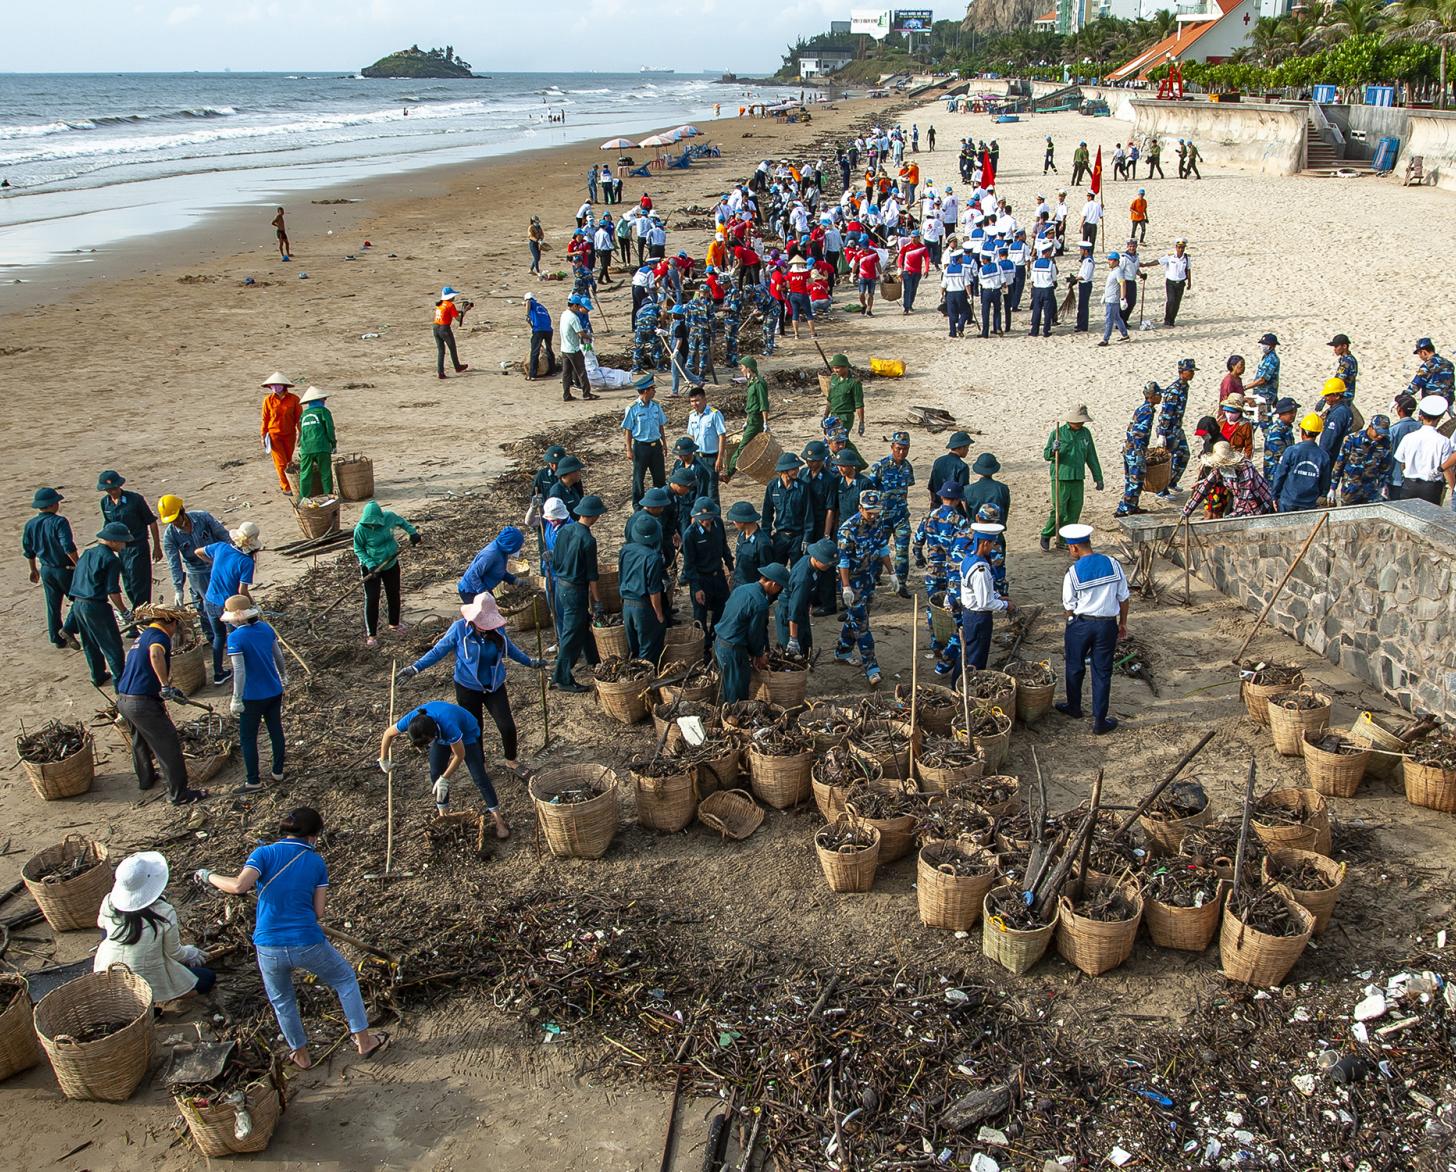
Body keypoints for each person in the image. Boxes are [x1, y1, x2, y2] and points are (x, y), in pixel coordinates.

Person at [196, 807, 389, 1067]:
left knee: (282, 1000)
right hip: (306, 940)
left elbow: (239, 886)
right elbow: (318, 912)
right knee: (344, 979)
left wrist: (208, 875)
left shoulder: (263, 853)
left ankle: (301, 1055)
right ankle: (364, 1041)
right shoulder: (316, 862)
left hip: (268, 945)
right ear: (314, 835)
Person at [398, 591, 543, 780]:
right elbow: (438, 651)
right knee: (475, 728)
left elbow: (510, 650)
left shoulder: (498, 630)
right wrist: (415, 668)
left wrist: (530, 662)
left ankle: (511, 759)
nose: (485, 626)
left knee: (507, 725)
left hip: (494, 687)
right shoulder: (459, 629)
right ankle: (480, 762)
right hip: (467, 688)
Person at [115, 602, 206, 804]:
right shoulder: (159, 637)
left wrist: (167, 688)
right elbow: (156, 654)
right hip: (142, 704)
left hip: (123, 699)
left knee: (139, 741)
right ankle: (179, 794)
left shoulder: (143, 636)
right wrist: (165, 686)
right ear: (170, 622)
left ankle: (146, 779)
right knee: (167, 744)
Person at [96, 852, 213, 1003]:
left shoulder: (109, 901)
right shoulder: (164, 911)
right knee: (207, 978)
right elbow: (174, 953)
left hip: (108, 971)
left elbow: (102, 927)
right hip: (144, 980)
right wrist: (190, 953)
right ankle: (156, 999)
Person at [380, 699, 509, 835]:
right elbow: (388, 734)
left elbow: (459, 755)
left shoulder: (448, 726)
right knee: (436, 773)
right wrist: (383, 759)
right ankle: (444, 816)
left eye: (428, 742)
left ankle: (499, 820)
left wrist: (445, 778)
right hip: (438, 732)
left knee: (479, 777)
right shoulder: (413, 720)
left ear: (433, 734)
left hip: (466, 732)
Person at [1054, 524, 1129, 736]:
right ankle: (1099, 720)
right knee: (1102, 671)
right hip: (1107, 624)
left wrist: (1071, 620)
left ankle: (1074, 706)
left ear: (1074, 548)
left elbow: (1068, 604)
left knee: (1074, 665)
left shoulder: (1073, 572)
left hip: (1081, 625)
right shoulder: (1113, 564)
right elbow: (1123, 598)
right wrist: (1122, 623)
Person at [220, 593, 287, 792]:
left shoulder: (235, 638)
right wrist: (283, 675)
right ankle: (278, 771)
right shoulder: (265, 628)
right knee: (276, 730)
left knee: (248, 738)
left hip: (251, 696)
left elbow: (239, 670)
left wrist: (236, 698)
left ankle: (253, 780)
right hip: (274, 690)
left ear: (237, 618)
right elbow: (278, 655)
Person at [835, 489, 896, 687]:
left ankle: (843, 650)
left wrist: (892, 573)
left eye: (876, 512)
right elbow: (843, 562)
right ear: (860, 508)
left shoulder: (877, 522)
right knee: (862, 626)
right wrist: (846, 587)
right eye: (869, 512)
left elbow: (882, 547)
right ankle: (871, 667)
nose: (873, 516)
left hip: (868, 579)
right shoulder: (848, 529)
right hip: (852, 583)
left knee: (857, 619)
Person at [549, 495, 605, 692]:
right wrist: (597, 602)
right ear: (595, 516)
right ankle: (561, 677)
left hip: (560, 586)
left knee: (581, 625)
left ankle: (594, 659)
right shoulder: (588, 540)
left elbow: (555, 560)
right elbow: (592, 576)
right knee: (571, 635)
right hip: (575, 590)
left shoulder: (565, 530)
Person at [64, 522, 131, 686]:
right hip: (96, 607)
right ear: (113, 541)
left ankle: (98, 675)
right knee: (112, 646)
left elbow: (78, 579)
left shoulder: (87, 553)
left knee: (90, 643)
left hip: (78, 604)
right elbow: (112, 591)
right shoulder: (112, 560)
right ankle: (121, 684)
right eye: (123, 542)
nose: (124, 546)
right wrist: (124, 611)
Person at [714, 562, 789, 702]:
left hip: (720, 642)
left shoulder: (741, 589)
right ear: (774, 584)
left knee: (728, 686)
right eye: (780, 588)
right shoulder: (760, 603)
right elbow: (755, 634)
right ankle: (732, 713)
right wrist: (759, 655)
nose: (778, 592)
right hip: (733, 649)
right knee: (738, 693)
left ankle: (727, 709)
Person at [160, 495, 228, 646]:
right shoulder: (170, 535)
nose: (175, 523)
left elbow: (223, 536)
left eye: (176, 519)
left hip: (217, 563)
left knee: (226, 598)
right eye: (171, 521)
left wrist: (232, 557)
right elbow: (174, 563)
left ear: (182, 511)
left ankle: (231, 631)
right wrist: (178, 588)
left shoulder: (202, 518)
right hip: (196, 571)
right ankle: (214, 638)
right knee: (206, 606)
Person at [199, 522, 260, 685]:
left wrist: (213, 563)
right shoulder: (246, 562)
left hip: (210, 600)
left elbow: (198, 552)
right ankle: (245, 670)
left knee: (218, 636)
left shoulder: (220, 547)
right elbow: (242, 591)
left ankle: (218, 673)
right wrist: (253, 605)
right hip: (230, 606)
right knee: (237, 637)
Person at [353, 501, 420, 648]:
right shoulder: (360, 529)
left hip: (390, 563)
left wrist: (413, 533)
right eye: (370, 523)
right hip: (372, 567)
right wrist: (370, 564)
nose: (373, 525)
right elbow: (358, 549)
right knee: (372, 598)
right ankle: (372, 635)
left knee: (393, 593)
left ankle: (394, 624)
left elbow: (402, 522)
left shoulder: (389, 517)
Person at [915, 481, 970, 656]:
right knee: (954, 606)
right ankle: (954, 642)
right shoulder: (960, 521)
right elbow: (964, 546)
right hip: (952, 571)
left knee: (933, 606)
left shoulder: (930, 517)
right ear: (957, 500)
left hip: (933, 570)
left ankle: (936, 642)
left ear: (942, 496)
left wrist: (920, 558)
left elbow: (917, 541)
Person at [956, 522, 1013, 676]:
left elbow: (983, 591)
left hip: (969, 613)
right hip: (978, 618)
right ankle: (967, 684)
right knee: (976, 658)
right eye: (992, 544)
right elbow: (985, 602)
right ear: (986, 543)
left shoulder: (968, 559)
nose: (993, 547)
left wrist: (998, 596)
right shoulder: (980, 570)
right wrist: (1005, 605)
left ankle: (957, 682)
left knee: (967, 651)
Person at [22, 486, 77, 649]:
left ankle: (56, 637)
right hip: (64, 568)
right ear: (53, 504)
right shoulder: (59, 522)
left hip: (46, 569)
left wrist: (33, 569)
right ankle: (69, 628)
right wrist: (79, 564)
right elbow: (67, 546)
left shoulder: (30, 524)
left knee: (53, 605)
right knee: (81, 599)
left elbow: (28, 550)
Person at [1042, 405, 1103, 549]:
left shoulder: (1085, 433)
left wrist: (1098, 477)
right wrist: (1053, 450)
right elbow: (1046, 455)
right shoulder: (1058, 433)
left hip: (1078, 477)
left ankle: (1065, 540)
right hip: (1061, 477)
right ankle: (1046, 534)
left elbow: (1091, 456)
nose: (1081, 423)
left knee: (1075, 509)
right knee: (1059, 509)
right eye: (1078, 421)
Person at [97, 469, 159, 608]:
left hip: (138, 546)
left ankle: (141, 611)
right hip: (120, 549)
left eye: (114, 488)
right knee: (128, 582)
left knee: (139, 582)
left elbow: (151, 521)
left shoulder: (135, 500)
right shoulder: (105, 503)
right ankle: (137, 610)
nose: (112, 492)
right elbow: (107, 525)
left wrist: (157, 546)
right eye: (109, 490)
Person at [680, 497, 733, 657]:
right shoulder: (690, 534)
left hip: (718, 576)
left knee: (722, 609)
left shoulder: (718, 524)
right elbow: (689, 565)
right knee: (700, 616)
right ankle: (703, 650)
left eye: (708, 518)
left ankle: (716, 640)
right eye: (702, 519)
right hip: (701, 579)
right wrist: (696, 588)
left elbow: (724, 547)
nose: (706, 522)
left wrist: (731, 568)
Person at [1180, 442, 1277, 520]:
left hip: (1260, 503)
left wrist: (1234, 515)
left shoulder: (1245, 467)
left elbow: (1245, 493)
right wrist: (1187, 511)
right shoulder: (1219, 468)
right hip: (1241, 505)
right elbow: (1204, 488)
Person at [619, 512, 667, 664]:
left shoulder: (625, 550)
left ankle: (634, 676)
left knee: (633, 649)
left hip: (627, 605)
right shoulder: (653, 557)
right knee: (648, 651)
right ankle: (646, 677)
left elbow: (621, 576)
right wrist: (659, 614)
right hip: (643, 607)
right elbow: (654, 590)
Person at [871, 431, 915, 593]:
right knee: (878, 550)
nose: (901, 452)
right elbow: (870, 490)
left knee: (902, 551)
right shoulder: (880, 466)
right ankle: (875, 577)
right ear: (892, 447)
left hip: (901, 516)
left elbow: (906, 489)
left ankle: (901, 583)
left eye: (905, 449)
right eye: (898, 449)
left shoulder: (907, 467)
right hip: (882, 517)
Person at [1392, 396, 1456, 504]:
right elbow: (1446, 467)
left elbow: (1402, 462)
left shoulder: (1408, 438)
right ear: (1440, 417)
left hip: (1409, 485)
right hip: (1431, 488)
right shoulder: (1444, 441)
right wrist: (1453, 487)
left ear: (1421, 416)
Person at [778, 538, 834, 657]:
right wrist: (793, 638)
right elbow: (794, 609)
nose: (829, 566)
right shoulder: (802, 580)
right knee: (793, 654)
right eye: (827, 563)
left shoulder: (809, 561)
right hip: (789, 611)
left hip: (801, 607)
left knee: (806, 645)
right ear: (817, 558)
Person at [1114, 383, 1161, 518]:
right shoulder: (1147, 411)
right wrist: (1140, 453)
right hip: (1135, 450)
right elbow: (1138, 433)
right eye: (1158, 394)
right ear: (1152, 396)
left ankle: (1132, 506)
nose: (1161, 397)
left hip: (1129, 449)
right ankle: (1123, 508)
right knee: (1135, 481)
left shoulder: (1142, 408)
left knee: (1130, 480)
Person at [1271, 413, 1333, 512]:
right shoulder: (1323, 456)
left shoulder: (1291, 451)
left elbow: (1280, 475)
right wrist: (1322, 495)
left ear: (1302, 432)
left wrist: (1274, 495)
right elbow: (1325, 483)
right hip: (1309, 504)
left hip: (1288, 501)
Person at [622, 379, 668, 507]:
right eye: (653, 389)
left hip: (656, 446)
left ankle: (660, 503)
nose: (655, 391)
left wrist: (664, 443)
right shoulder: (632, 408)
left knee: (660, 477)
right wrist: (629, 449)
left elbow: (660, 426)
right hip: (641, 447)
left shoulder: (656, 406)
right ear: (646, 391)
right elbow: (628, 430)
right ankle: (638, 505)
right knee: (639, 478)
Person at [725, 358, 771, 482]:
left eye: (742, 367)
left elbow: (763, 404)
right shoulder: (751, 382)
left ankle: (728, 473)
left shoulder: (759, 383)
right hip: (751, 419)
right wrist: (746, 420)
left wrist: (765, 423)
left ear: (749, 368)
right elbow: (751, 404)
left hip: (756, 421)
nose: (741, 370)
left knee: (742, 447)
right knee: (755, 447)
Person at [762, 453, 812, 566]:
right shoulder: (772, 487)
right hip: (780, 538)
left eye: (797, 468)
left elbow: (808, 515)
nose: (797, 471)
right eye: (793, 469)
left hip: (798, 538)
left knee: (797, 570)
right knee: (776, 569)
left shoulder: (803, 488)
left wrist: (806, 538)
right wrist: (766, 536)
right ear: (784, 471)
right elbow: (767, 514)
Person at [1156, 358, 1196, 495]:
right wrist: (1162, 434)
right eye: (1190, 371)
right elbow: (1166, 413)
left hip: (1177, 428)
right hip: (1168, 429)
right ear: (1181, 372)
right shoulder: (1174, 390)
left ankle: (1171, 482)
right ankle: (1162, 490)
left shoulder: (1184, 387)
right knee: (1166, 461)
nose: (1192, 374)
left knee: (1184, 455)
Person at [1331, 415, 1392, 506]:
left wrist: (1383, 485)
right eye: (1378, 432)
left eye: (1383, 434)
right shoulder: (1353, 439)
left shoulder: (1386, 444)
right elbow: (1340, 463)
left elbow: (1385, 468)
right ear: (1370, 427)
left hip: (1371, 491)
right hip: (1351, 490)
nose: (1380, 436)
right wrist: (1333, 487)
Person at [259, 373, 301, 493]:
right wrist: (263, 435)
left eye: (277, 384)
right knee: (281, 463)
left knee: (288, 461)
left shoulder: (294, 399)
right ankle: (286, 487)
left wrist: (301, 433)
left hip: (290, 435)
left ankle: (290, 483)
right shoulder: (268, 400)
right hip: (274, 435)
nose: (275, 387)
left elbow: (299, 418)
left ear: (284, 385)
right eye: (273, 385)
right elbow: (265, 419)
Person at [687, 386, 728, 500]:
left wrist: (720, 458)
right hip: (697, 457)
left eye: (697, 400)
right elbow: (692, 436)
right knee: (698, 488)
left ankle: (715, 511)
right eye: (692, 401)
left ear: (704, 400)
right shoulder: (692, 416)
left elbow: (722, 436)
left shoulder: (714, 414)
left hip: (711, 458)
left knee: (712, 490)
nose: (694, 404)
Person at [296, 386, 337, 497]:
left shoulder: (304, 414)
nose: (325, 400)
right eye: (324, 399)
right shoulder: (324, 411)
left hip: (306, 448)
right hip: (321, 446)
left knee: (305, 474)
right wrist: (333, 443)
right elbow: (330, 429)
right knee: (325, 473)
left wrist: (300, 445)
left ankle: (303, 498)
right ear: (320, 400)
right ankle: (328, 496)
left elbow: (301, 431)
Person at [560, 293, 599, 402]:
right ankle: (586, 394)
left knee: (566, 373)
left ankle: (566, 395)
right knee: (581, 372)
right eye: (578, 306)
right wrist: (589, 337)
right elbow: (581, 333)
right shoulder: (573, 317)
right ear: (575, 305)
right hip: (573, 349)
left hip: (564, 348)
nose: (579, 308)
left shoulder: (564, 314)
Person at [1386, 395, 1421, 499]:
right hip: (1416, 478)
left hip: (1395, 477)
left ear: (1399, 409)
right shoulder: (1421, 427)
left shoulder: (1393, 430)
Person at [823, 354, 864, 442]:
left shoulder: (854, 382)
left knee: (839, 440)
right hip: (833, 415)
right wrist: (825, 415)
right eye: (834, 368)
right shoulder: (834, 379)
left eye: (838, 368)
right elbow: (830, 399)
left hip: (845, 417)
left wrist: (861, 422)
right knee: (830, 440)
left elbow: (859, 404)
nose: (835, 370)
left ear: (845, 367)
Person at [433, 286, 471, 380]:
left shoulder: (440, 304)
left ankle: (440, 372)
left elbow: (446, 311)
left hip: (435, 327)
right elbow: (459, 319)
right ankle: (457, 366)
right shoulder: (450, 305)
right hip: (444, 329)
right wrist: (465, 310)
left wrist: (460, 311)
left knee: (441, 351)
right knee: (452, 348)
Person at [929, 432, 974, 510]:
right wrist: (967, 513)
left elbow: (931, 486)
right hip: (954, 507)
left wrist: (933, 504)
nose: (968, 450)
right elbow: (963, 493)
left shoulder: (938, 461)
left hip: (937, 505)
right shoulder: (962, 466)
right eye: (967, 447)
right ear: (961, 448)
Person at [1317, 378, 1355, 462]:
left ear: (1337, 396)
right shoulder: (1344, 409)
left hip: (1330, 457)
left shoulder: (1338, 414)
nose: (1325, 398)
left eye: (1328, 395)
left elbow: (1328, 441)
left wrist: (1320, 458)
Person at [1264, 397, 1300, 481]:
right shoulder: (1276, 432)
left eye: (1295, 411)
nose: (1294, 415)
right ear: (1281, 413)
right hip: (1275, 475)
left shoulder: (1286, 428)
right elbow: (1283, 454)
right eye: (1290, 412)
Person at [1409, 337, 1454, 404]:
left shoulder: (1426, 365)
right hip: (1446, 403)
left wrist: (1404, 395)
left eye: (1419, 354)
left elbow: (1416, 383)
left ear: (1424, 352)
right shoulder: (1449, 364)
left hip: (1431, 403)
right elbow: (1451, 385)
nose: (1420, 357)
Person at [1157, 239, 1191, 327]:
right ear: (1176, 247)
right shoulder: (1170, 256)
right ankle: (1167, 320)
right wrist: (1145, 264)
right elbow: (1159, 261)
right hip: (1170, 283)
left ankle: (1172, 321)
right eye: (1179, 247)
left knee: (1177, 303)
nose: (1181, 249)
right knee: (1171, 301)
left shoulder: (1187, 257)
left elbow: (1188, 269)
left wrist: (1189, 282)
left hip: (1181, 283)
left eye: (1183, 247)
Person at [1098, 252, 1129, 346]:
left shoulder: (1118, 271)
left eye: (1111, 260)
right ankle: (1125, 334)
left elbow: (1122, 284)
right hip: (1109, 298)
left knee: (1109, 319)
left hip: (1113, 300)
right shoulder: (1113, 271)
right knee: (1117, 318)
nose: (1109, 262)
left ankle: (1105, 339)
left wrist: (1122, 298)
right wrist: (1105, 295)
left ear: (1116, 261)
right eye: (1109, 260)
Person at [525, 293, 556, 380]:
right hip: (548, 330)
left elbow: (527, 302)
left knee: (535, 351)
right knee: (549, 349)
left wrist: (527, 315)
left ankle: (532, 374)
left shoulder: (531, 302)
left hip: (539, 329)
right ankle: (552, 371)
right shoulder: (542, 307)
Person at [1244, 333, 1281, 405]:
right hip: (1260, 393)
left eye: (1266, 344)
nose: (1263, 346)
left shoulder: (1272, 359)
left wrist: (1245, 387)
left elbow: (1262, 380)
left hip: (1265, 395)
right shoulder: (1266, 357)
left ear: (1273, 345)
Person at [1328, 333, 1357, 403]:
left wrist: (1325, 397)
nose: (1334, 349)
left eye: (1336, 346)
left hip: (1343, 397)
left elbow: (1338, 380)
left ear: (1344, 346)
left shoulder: (1347, 361)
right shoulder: (1348, 359)